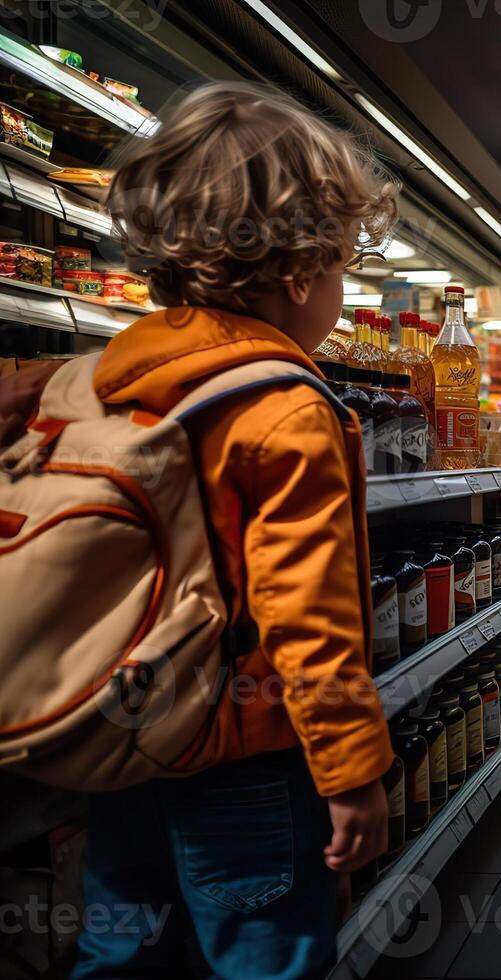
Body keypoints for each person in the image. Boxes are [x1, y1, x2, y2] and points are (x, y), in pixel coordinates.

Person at [16, 82, 399, 979]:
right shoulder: (285, 406)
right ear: (303, 272)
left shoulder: (107, 377)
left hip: (121, 730)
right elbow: (312, 622)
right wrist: (350, 772)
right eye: (342, 265)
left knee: (119, 949)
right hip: (244, 758)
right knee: (263, 958)